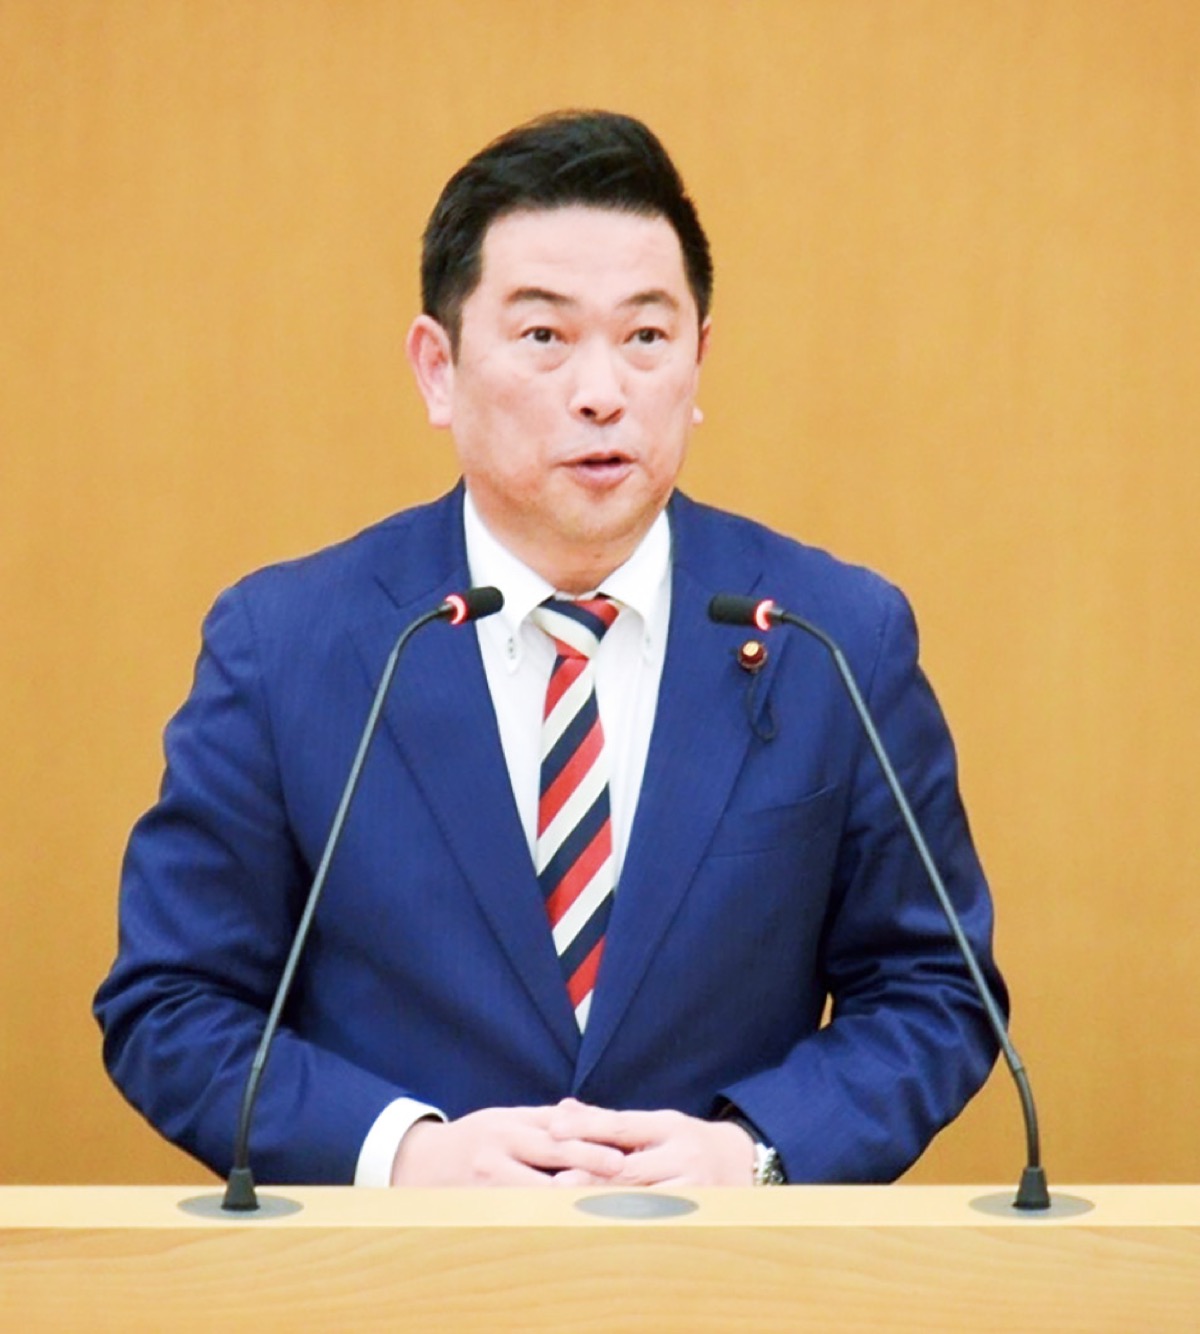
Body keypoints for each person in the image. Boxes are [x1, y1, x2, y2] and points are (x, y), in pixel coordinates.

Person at [95, 110, 1004, 1189]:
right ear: (438, 369)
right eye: (544, 337)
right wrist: (405, 1154)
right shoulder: (289, 643)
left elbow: (934, 989)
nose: (602, 391)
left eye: (646, 337)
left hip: (724, 1267)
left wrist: (753, 1151)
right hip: (400, 1270)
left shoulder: (833, 634)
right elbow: (173, 1003)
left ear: (699, 360)